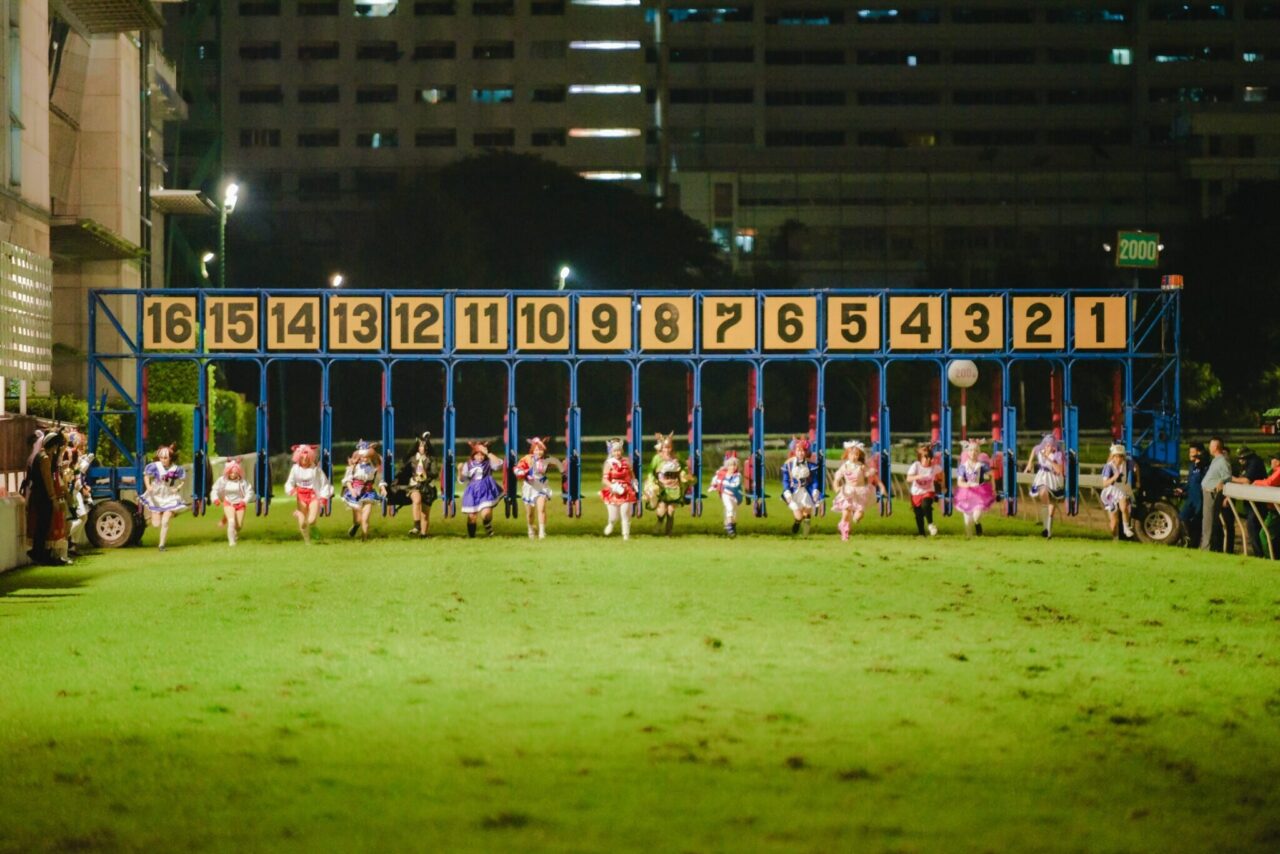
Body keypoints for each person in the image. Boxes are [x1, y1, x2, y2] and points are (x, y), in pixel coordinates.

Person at [22, 431, 70, 566]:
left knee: (42, 525)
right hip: (43, 496)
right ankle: (39, 553)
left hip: (38, 495)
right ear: (53, 445)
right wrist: (53, 497)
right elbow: (47, 480)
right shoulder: (44, 459)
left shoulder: (40, 456)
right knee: (42, 526)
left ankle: (40, 553)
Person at [139, 445, 187, 552]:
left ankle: (161, 545)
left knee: (165, 522)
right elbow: (146, 475)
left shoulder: (176, 469)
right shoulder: (155, 466)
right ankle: (156, 513)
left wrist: (177, 488)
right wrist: (148, 486)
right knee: (156, 524)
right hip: (157, 495)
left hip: (169, 496)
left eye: (165, 458)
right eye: (161, 458)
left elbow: (183, 480)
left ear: (170, 458)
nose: (163, 460)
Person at [513, 436, 562, 540]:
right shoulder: (527, 458)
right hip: (529, 487)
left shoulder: (546, 460)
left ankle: (542, 532)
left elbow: (558, 463)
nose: (538, 452)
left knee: (542, 509)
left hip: (542, 487)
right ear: (532, 450)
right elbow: (517, 470)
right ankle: (530, 528)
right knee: (530, 513)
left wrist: (565, 463)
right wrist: (524, 472)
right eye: (536, 449)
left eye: (540, 450)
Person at [644, 432, 691, 536]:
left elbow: (684, 467)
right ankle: (660, 521)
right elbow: (650, 471)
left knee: (671, 511)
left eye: (669, 447)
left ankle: (668, 533)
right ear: (662, 447)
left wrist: (683, 474)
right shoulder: (657, 458)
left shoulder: (677, 456)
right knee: (661, 510)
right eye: (665, 447)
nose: (667, 450)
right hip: (662, 488)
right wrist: (653, 482)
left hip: (674, 488)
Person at [830, 440, 878, 542]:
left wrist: (871, 472)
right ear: (847, 454)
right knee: (846, 512)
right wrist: (836, 487)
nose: (854, 457)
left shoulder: (861, 466)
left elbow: (867, 474)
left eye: (856, 454)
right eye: (852, 454)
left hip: (860, 492)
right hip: (847, 492)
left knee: (858, 517)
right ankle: (845, 533)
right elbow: (837, 478)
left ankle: (855, 516)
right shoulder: (845, 466)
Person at [284, 444, 333, 544]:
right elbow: (289, 482)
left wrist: (323, 498)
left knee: (311, 520)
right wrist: (291, 490)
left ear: (311, 457)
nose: (305, 460)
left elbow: (325, 483)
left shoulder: (316, 470)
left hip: (313, 495)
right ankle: (307, 542)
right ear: (298, 458)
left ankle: (315, 532)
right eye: (302, 458)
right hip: (300, 496)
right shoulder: (295, 469)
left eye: (307, 458)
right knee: (302, 524)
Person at [341, 441, 386, 541]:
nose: (364, 458)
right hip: (355, 493)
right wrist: (352, 490)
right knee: (358, 519)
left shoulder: (374, 467)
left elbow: (379, 479)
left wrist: (382, 488)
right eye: (362, 455)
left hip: (368, 493)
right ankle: (356, 525)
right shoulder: (353, 467)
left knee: (365, 518)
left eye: (367, 455)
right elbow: (347, 480)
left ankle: (364, 538)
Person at [458, 440, 504, 538]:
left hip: (486, 489)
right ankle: (471, 536)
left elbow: (499, 464)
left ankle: (487, 525)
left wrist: (487, 452)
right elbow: (462, 480)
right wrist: (460, 470)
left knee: (486, 514)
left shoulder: (488, 462)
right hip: (472, 491)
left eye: (482, 455)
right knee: (472, 516)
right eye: (478, 455)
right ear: (473, 455)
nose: (480, 457)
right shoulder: (468, 464)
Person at [397, 432, 439, 538]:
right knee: (417, 500)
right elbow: (402, 467)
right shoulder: (411, 459)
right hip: (414, 485)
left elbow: (435, 473)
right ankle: (416, 526)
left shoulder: (431, 459)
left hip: (427, 487)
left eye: (424, 446)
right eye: (420, 446)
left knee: (425, 514)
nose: (422, 448)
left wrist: (426, 473)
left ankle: (423, 535)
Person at [1230, 446, 1268, 557]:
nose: (1240, 461)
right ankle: (1260, 553)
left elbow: (1246, 480)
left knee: (1254, 528)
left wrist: (1229, 478)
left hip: (1258, 502)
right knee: (1252, 528)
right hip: (1252, 501)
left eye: (1241, 458)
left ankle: (1260, 554)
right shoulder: (1249, 463)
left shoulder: (1255, 462)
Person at [953, 438, 996, 537]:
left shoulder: (981, 465)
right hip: (966, 493)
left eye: (976, 451)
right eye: (971, 450)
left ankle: (978, 525)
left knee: (976, 517)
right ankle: (969, 540)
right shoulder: (963, 467)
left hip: (980, 493)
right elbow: (959, 482)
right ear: (968, 452)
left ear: (979, 453)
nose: (973, 453)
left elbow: (992, 474)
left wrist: (993, 487)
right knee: (968, 523)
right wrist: (966, 485)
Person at [1025, 433, 1065, 539]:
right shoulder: (1040, 450)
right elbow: (1034, 449)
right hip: (1042, 477)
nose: (1049, 447)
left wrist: (1049, 459)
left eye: (1051, 445)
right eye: (1047, 445)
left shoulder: (1057, 454)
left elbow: (1059, 470)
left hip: (1054, 478)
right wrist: (1029, 464)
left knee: (1052, 505)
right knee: (1043, 493)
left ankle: (1048, 530)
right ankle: (1045, 528)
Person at [781, 436, 822, 536]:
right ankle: (797, 522)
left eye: (803, 451)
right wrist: (786, 491)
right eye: (799, 450)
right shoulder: (789, 465)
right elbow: (785, 480)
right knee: (799, 515)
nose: (801, 453)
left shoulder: (811, 465)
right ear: (795, 451)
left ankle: (806, 534)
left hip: (806, 491)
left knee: (807, 513)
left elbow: (815, 480)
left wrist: (815, 490)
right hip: (793, 492)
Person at [210, 457, 255, 546]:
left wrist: (244, 501)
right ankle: (232, 543)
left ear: (238, 472)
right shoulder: (222, 480)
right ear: (228, 472)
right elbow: (214, 489)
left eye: (235, 472)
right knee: (231, 521)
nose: (233, 474)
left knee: (238, 526)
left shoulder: (243, 482)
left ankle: (232, 528)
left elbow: (250, 492)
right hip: (228, 503)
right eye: (231, 472)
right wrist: (215, 499)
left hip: (240, 504)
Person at [1199, 437, 1233, 553]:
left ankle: (1207, 548)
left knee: (1209, 522)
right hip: (1208, 492)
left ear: (1215, 447)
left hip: (1212, 494)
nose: (1209, 448)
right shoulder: (1216, 460)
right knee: (1207, 521)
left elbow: (1227, 476)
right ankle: (1206, 546)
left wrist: (1221, 482)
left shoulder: (1222, 461)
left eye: (1210, 445)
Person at [600, 438, 638, 540]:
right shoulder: (609, 463)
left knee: (625, 514)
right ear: (611, 452)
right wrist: (613, 486)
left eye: (619, 450)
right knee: (613, 516)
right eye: (615, 451)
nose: (617, 453)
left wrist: (634, 482)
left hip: (626, 490)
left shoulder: (627, 462)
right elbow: (605, 480)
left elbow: (631, 474)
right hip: (613, 491)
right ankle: (611, 524)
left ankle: (626, 535)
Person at [1099, 442, 1136, 540]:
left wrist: (1138, 478)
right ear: (1113, 457)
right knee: (1114, 521)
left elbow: (1136, 467)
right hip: (1111, 492)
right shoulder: (1108, 467)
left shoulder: (1127, 463)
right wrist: (1114, 477)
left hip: (1122, 489)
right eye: (1116, 456)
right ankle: (1114, 538)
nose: (1119, 459)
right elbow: (1104, 484)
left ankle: (1126, 528)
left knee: (1124, 507)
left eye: (1120, 456)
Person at [906, 443, 942, 537]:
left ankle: (930, 524)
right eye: (925, 457)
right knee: (918, 514)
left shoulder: (934, 467)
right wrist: (918, 476)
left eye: (929, 457)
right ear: (920, 458)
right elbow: (908, 478)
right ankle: (921, 533)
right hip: (916, 492)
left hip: (928, 491)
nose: (928, 460)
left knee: (926, 505)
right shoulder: (916, 465)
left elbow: (941, 473)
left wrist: (942, 484)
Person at [1178, 443, 1208, 547]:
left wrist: (1201, 464)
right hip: (1191, 498)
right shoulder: (1192, 466)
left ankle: (1194, 545)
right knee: (1182, 516)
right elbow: (1190, 482)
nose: (1190, 454)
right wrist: (1182, 489)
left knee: (1197, 523)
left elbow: (1203, 481)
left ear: (1199, 452)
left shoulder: (1205, 465)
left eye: (1192, 452)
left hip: (1199, 499)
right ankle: (1187, 539)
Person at [709, 451, 744, 538]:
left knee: (734, 513)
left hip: (735, 496)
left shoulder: (738, 475)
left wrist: (723, 483)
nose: (732, 467)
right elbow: (715, 480)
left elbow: (735, 485)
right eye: (730, 465)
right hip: (726, 495)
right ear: (727, 466)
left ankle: (732, 526)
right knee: (729, 508)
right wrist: (714, 486)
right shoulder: (722, 474)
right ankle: (729, 528)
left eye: (734, 465)